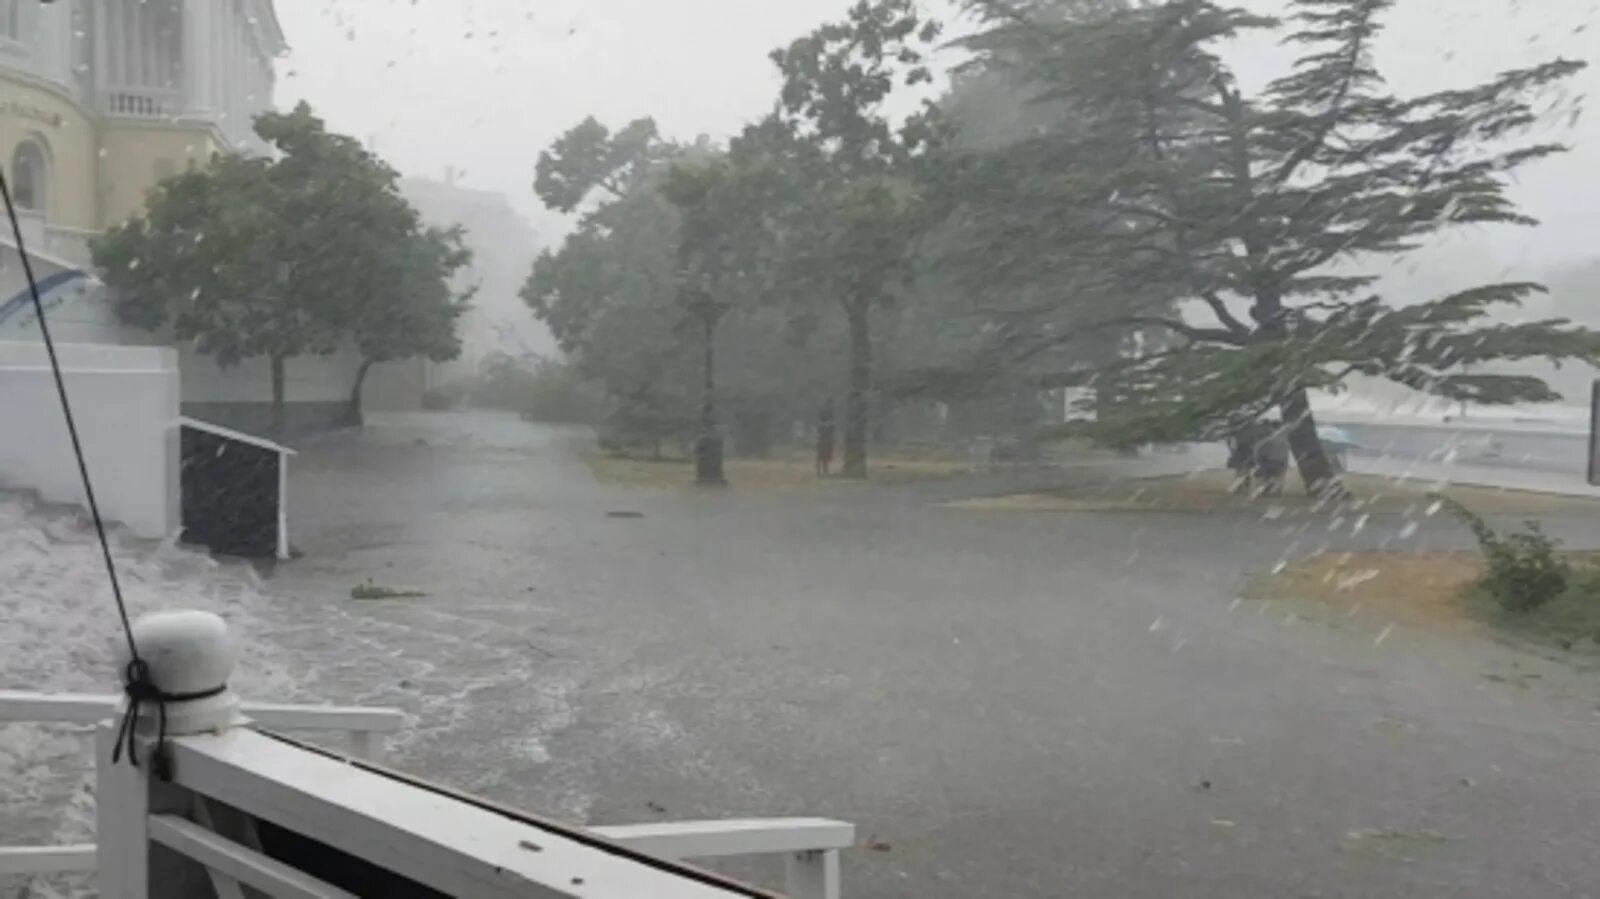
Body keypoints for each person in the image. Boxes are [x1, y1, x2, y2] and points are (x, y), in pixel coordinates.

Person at [815, 400, 837, 477]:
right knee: (821, 457)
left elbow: (832, 429)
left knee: (824, 457)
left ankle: (824, 471)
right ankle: (820, 472)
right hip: (823, 440)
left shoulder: (829, 423)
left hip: (826, 440)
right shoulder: (823, 423)